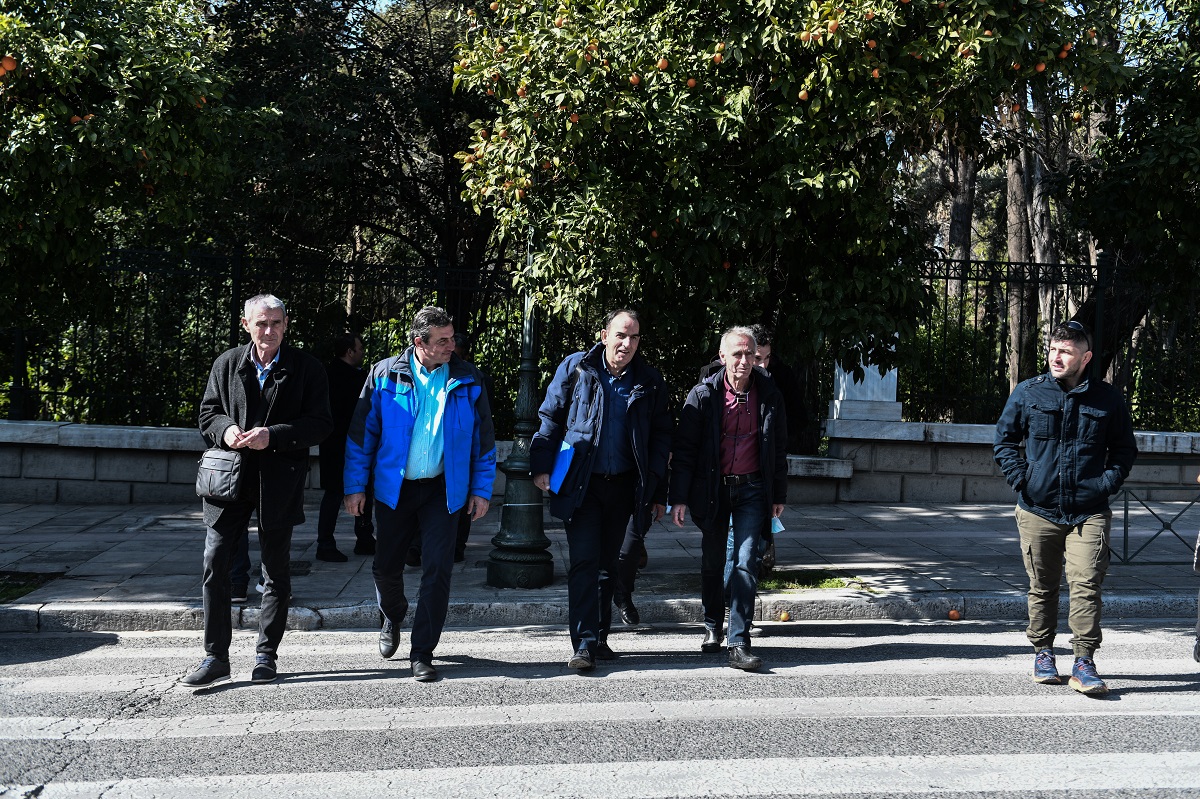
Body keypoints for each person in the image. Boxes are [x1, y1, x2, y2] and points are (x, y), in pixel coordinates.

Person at [182, 294, 332, 687]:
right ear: (246, 324)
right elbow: (207, 414)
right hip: (227, 482)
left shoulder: (307, 368)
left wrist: (274, 436)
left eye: (276, 323)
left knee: (275, 571)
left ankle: (267, 655)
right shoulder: (228, 363)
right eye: (261, 323)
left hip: (278, 483)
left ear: (286, 324)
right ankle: (215, 656)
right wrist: (225, 430)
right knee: (215, 563)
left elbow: (320, 423)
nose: (269, 331)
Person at [343, 306, 496, 682]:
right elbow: (363, 437)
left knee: (439, 569)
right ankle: (392, 614)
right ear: (419, 343)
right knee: (385, 566)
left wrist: (480, 489)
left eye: (452, 337)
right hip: (395, 488)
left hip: (444, 490)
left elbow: (484, 441)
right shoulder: (384, 374)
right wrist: (354, 487)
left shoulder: (468, 378)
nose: (452, 345)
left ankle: (422, 651)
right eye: (442, 340)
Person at [994, 320, 1137, 695]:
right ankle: (1043, 652)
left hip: (1088, 511)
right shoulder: (1028, 393)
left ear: (1085, 357)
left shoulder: (1108, 399)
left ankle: (1084, 662)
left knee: (1086, 584)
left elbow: (1124, 450)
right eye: (1053, 349)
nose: (1057, 357)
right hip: (1038, 509)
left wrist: (1104, 484)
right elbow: (1004, 442)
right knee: (1042, 586)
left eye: (1066, 351)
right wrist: (1023, 480)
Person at [531, 309, 672, 670]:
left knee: (610, 565)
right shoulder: (578, 368)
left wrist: (657, 492)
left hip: (625, 486)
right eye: (621, 335)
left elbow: (660, 440)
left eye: (635, 337)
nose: (627, 343)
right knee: (584, 562)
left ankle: (600, 637)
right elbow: (550, 417)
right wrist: (541, 465)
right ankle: (583, 644)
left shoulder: (649, 380)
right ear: (604, 335)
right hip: (582, 483)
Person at [670, 326, 788, 672]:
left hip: (753, 489)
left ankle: (739, 640)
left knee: (746, 559)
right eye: (736, 354)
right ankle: (711, 624)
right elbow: (686, 451)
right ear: (723, 357)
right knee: (712, 562)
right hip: (713, 490)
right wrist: (678, 497)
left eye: (749, 354)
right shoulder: (703, 395)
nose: (743, 360)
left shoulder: (769, 394)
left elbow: (778, 448)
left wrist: (778, 493)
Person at [316, 332, 374, 562]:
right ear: (350, 351)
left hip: (333, 443)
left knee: (336, 493)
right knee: (351, 491)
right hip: (349, 443)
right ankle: (358, 538)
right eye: (359, 348)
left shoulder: (326, 374)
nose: (362, 352)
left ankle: (330, 541)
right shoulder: (355, 379)